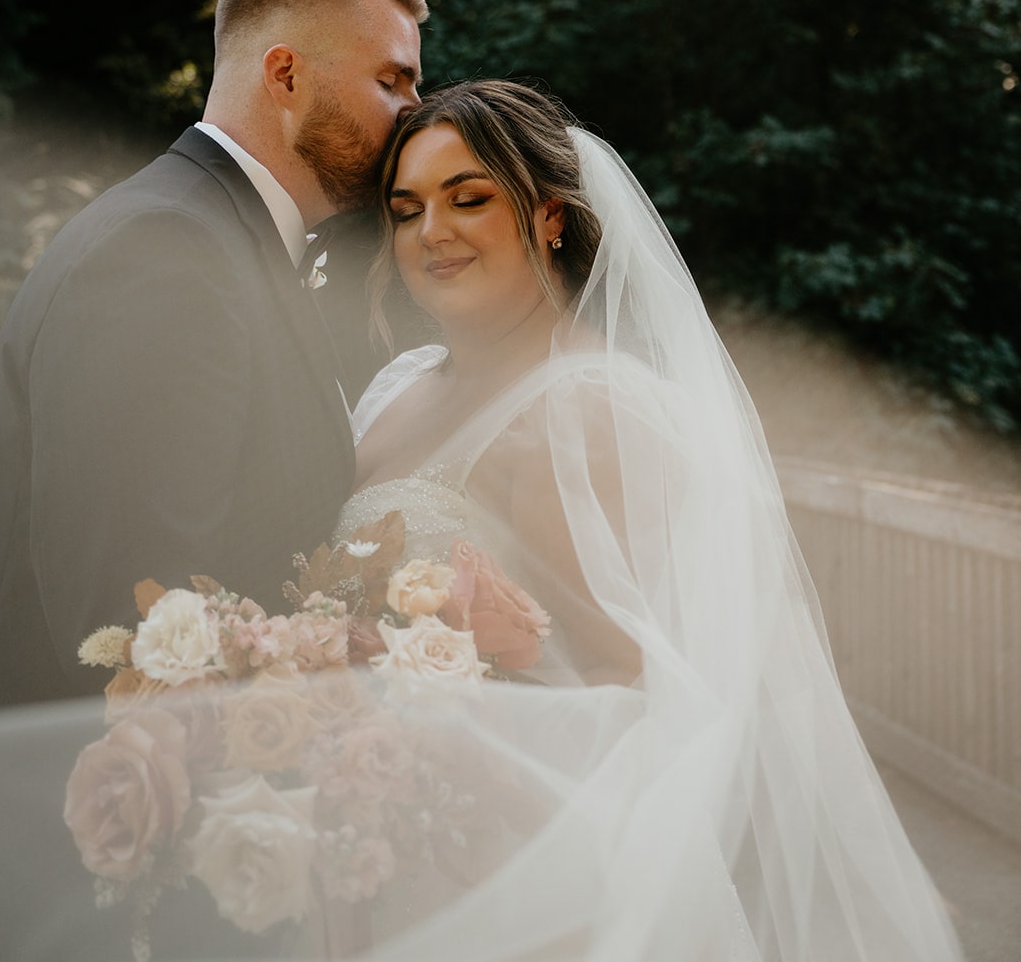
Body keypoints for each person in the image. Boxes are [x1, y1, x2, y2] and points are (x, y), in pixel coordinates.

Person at [322, 79, 963, 960]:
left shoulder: (588, 408)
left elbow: (631, 704)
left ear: (550, 216)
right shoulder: (399, 386)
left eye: (468, 199)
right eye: (405, 209)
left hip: (515, 874)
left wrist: (414, 725)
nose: (431, 232)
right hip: (371, 837)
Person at [0, 0, 426, 712]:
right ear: (286, 75)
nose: (413, 107)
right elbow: (131, 621)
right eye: (392, 79)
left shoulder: (211, 237)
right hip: (86, 801)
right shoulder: (166, 252)